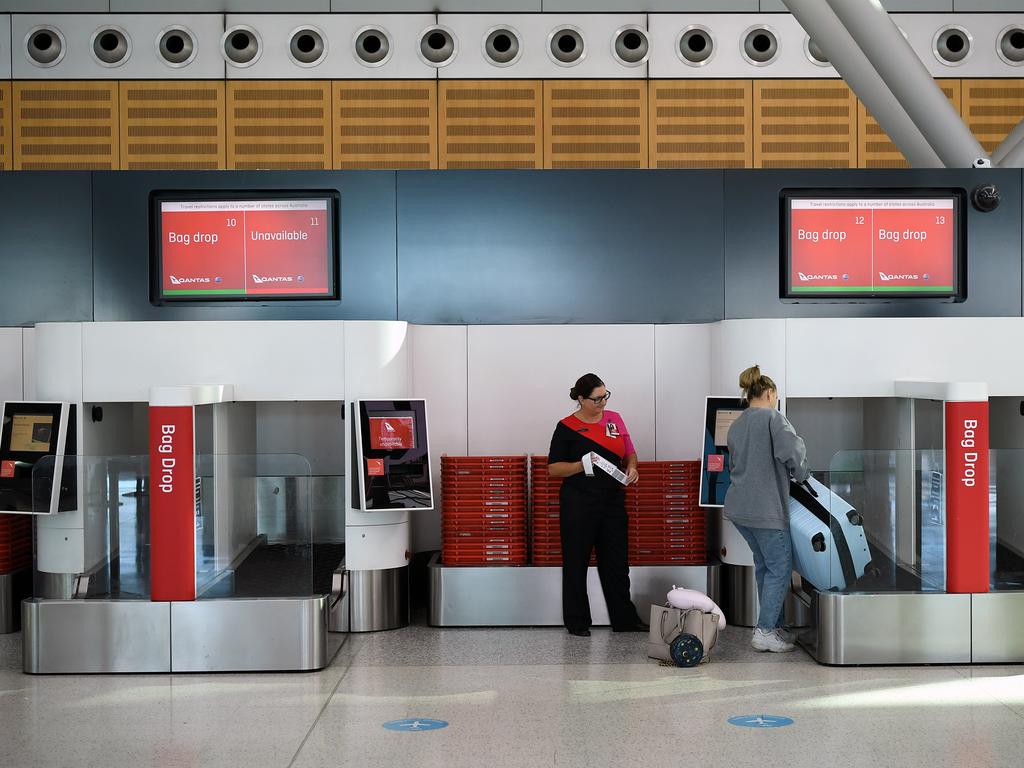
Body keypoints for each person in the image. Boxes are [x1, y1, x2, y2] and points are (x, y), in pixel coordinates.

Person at [548, 373, 646, 637]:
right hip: (578, 503)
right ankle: (577, 622)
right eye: (596, 398)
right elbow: (554, 469)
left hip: (612, 501)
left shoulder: (614, 419)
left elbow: (629, 452)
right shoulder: (566, 426)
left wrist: (633, 467)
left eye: (605, 396)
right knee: (576, 562)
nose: (602, 402)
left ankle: (624, 619)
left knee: (616, 562)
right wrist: (582, 465)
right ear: (581, 399)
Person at [724, 364, 810, 653]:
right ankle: (763, 632)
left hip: (739, 509)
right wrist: (802, 475)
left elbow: (734, 464)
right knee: (780, 567)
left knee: (764, 567)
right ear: (771, 392)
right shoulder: (774, 418)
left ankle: (773, 626)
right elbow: (794, 453)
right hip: (766, 510)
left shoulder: (737, 423)